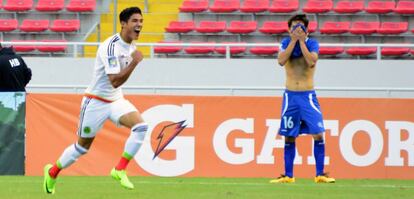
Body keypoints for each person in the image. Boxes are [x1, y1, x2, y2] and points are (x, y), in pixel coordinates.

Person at [43, 7, 147, 194]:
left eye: (141, 21)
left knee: (141, 127)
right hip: (95, 102)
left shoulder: (132, 47)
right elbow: (114, 81)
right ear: (123, 24)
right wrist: (134, 62)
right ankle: (52, 172)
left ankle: (120, 169)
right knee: (82, 148)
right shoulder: (110, 47)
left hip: (115, 101)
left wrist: (134, 60)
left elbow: (116, 87)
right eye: (135, 21)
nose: (139, 24)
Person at [270, 14, 335, 183]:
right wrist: (293, 41)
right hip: (290, 96)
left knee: (318, 134)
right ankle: (288, 175)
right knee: (289, 136)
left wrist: (301, 41)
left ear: (307, 29)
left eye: (300, 26)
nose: (297, 29)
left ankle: (320, 174)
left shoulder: (312, 43)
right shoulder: (285, 43)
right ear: (289, 29)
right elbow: (281, 61)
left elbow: (311, 61)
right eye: (294, 26)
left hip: (308, 96)